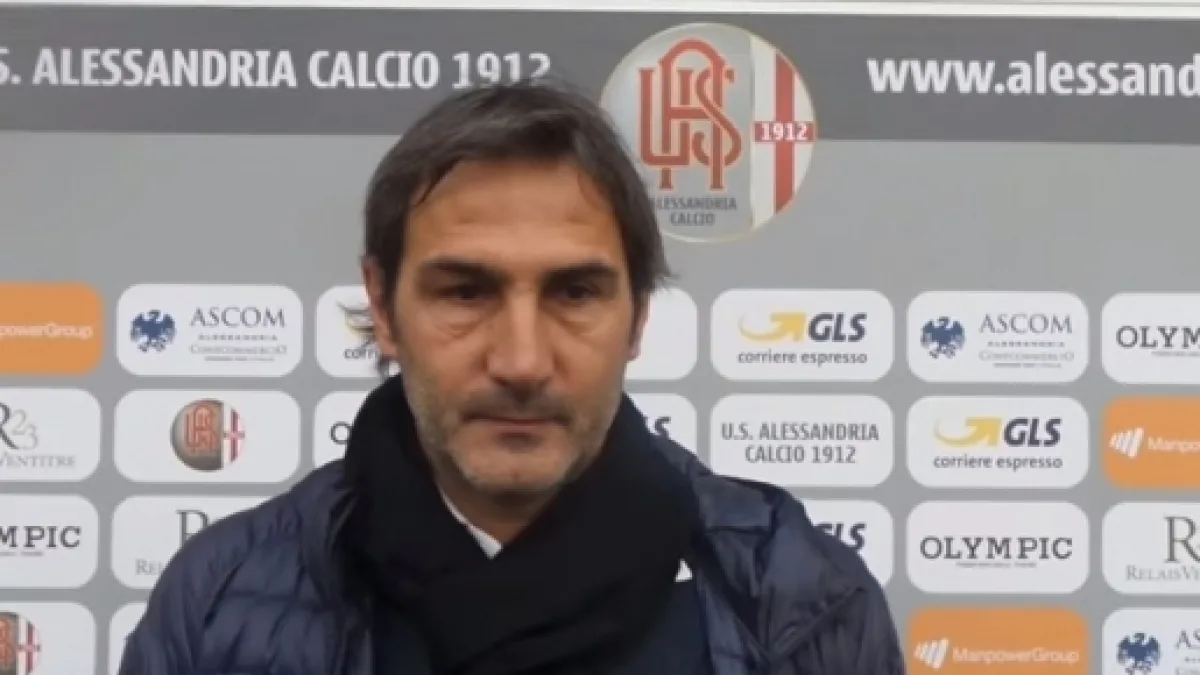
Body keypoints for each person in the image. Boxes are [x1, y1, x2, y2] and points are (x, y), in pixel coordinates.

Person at [119, 80, 905, 675]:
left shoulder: (803, 603)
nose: (522, 360)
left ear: (637, 317)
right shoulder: (220, 599)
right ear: (382, 308)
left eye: (574, 293)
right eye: (465, 291)